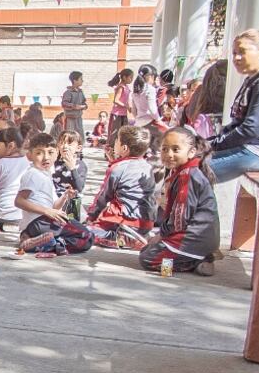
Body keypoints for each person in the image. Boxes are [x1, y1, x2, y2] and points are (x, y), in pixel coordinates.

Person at [140, 127, 219, 275]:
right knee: (147, 249)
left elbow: (180, 217)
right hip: (195, 238)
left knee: (147, 258)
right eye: (165, 149)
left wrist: (162, 234)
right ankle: (197, 259)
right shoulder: (183, 172)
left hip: (193, 239)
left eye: (176, 149)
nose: (169, 154)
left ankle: (194, 262)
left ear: (191, 152)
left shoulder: (187, 176)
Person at [208, 29, 259, 182]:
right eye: (234, 53)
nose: (236, 58)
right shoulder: (254, 79)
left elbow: (251, 128)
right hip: (250, 147)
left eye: (242, 52)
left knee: (191, 172)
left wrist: (214, 145)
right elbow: (239, 123)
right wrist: (207, 142)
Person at [15, 133, 94, 255]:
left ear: (57, 153)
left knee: (82, 233)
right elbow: (19, 201)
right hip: (40, 221)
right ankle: (50, 243)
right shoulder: (33, 174)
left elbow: (54, 206)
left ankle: (32, 240)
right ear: (29, 156)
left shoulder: (45, 174)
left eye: (50, 153)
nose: (46, 157)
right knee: (86, 236)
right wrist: (47, 211)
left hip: (40, 223)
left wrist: (65, 196)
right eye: (39, 153)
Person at [86, 125, 156, 249]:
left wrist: (91, 216)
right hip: (146, 222)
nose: (114, 143)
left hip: (123, 220)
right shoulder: (148, 167)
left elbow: (103, 197)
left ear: (124, 148)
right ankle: (135, 237)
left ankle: (117, 239)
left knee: (84, 231)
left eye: (117, 140)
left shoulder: (117, 168)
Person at [0, 127, 28, 229]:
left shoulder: (0, 164)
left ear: (11, 145)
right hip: (23, 215)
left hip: (2, 216)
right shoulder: (28, 162)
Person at [130, 64, 166, 156]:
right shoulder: (150, 89)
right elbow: (152, 108)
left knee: (145, 147)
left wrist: (138, 119)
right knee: (165, 136)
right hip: (150, 121)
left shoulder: (135, 90)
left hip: (138, 123)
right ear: (149, 76)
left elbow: (134, 110)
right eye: (154, 76)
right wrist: (159, 120)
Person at [53, 130, 88, 219]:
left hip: (71, 203)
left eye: (69, 143)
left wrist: (72, 168)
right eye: (62, 143)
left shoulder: (80, 165)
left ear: (78, 148)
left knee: (71, 226)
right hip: (55, 200)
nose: (65, 146)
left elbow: (79, 188)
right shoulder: (54, 163)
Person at [107, 68, 134, 146]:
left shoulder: (127, 87)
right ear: (124, 77)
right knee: (114, 133)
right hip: (117, 114)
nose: (131, 79)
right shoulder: (121, 87)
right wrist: (126, 106)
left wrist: (129, 107)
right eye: (130, 77)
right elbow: (116, 100)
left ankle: (120, 149)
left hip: (124, 114)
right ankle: (111, 150)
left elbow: (126, 100)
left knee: (123, 133)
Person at [61, 71, 87, 139]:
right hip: (70, 118)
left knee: (80, 136)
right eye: (81, 79)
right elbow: (64, 104)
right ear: (75, 80)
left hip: (78, 118)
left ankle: (79, 148)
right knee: (70, 136)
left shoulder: (81, 92)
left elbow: (84, 102)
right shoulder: (68, 92)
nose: (82, 81)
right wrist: (75, 106)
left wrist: (84, 106)